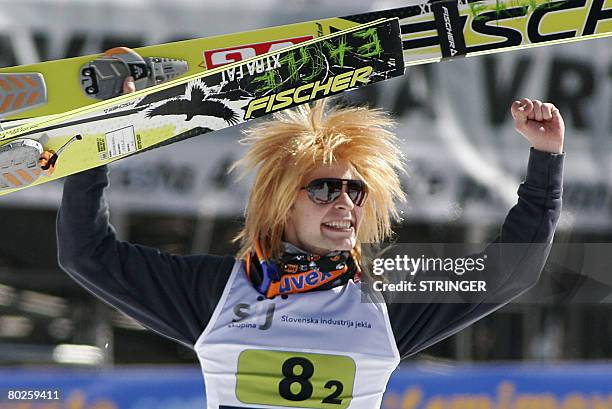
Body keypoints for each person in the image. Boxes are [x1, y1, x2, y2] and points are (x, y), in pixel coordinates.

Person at [56, 75, 564, 408]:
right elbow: (86, 253)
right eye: (323, 189)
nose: (344, 204)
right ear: (282, 201)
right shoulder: (216, 292)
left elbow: (511, 271)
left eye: (356, 191)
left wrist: (546, 159)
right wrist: (100, 140)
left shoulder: (386, 296)